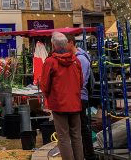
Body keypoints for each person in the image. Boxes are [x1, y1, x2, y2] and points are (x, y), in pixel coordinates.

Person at [37, 32, 85, 160]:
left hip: (59, 104)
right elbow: (81, 83)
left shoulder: (50, 62)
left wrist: (49, 96)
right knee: (76, 136)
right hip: (75, 103)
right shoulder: (76, 61)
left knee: (63, 137)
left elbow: (45, 85)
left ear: (53, 45)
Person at [75, 39, 95, 154]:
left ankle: (89, 155)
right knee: (81, 127)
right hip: (79, 96)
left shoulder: (81, 59)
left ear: (70, 43)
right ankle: (86, 153)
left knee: (82, 127)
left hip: (80, 96)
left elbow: (80, 81)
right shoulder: (81, 57)